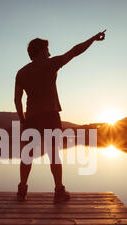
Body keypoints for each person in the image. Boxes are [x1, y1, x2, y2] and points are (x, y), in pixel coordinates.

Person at [14, 30, 106, 202]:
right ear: (41, 51)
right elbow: (75, 51)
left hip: (32, 117)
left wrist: (23, 120)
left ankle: (21, 190)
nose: (49, 52)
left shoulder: (21, 73)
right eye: (47, 49)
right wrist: (93, 38)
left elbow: (17, 100)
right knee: (54, 155)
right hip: (50, 116)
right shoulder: (51, 64)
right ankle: (59, 191)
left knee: (27, 155)